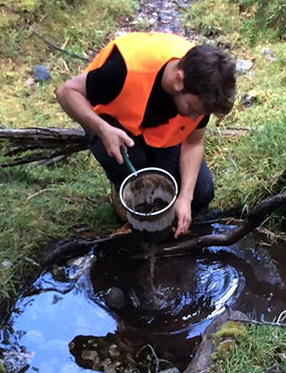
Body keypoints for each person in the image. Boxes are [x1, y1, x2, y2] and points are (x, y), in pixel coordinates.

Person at [56, 32, 236, 238]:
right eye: (193, 109)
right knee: (140, 190)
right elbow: (66, 92)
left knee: (201, 193)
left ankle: (152, 164)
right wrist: (102, 129)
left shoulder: (203, 90)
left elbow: (194, 143)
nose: (196, 117)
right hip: (109, 121)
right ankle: (120, 184)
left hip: (158, 132)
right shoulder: (123, 70)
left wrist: (185, 197)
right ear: (179, 81)